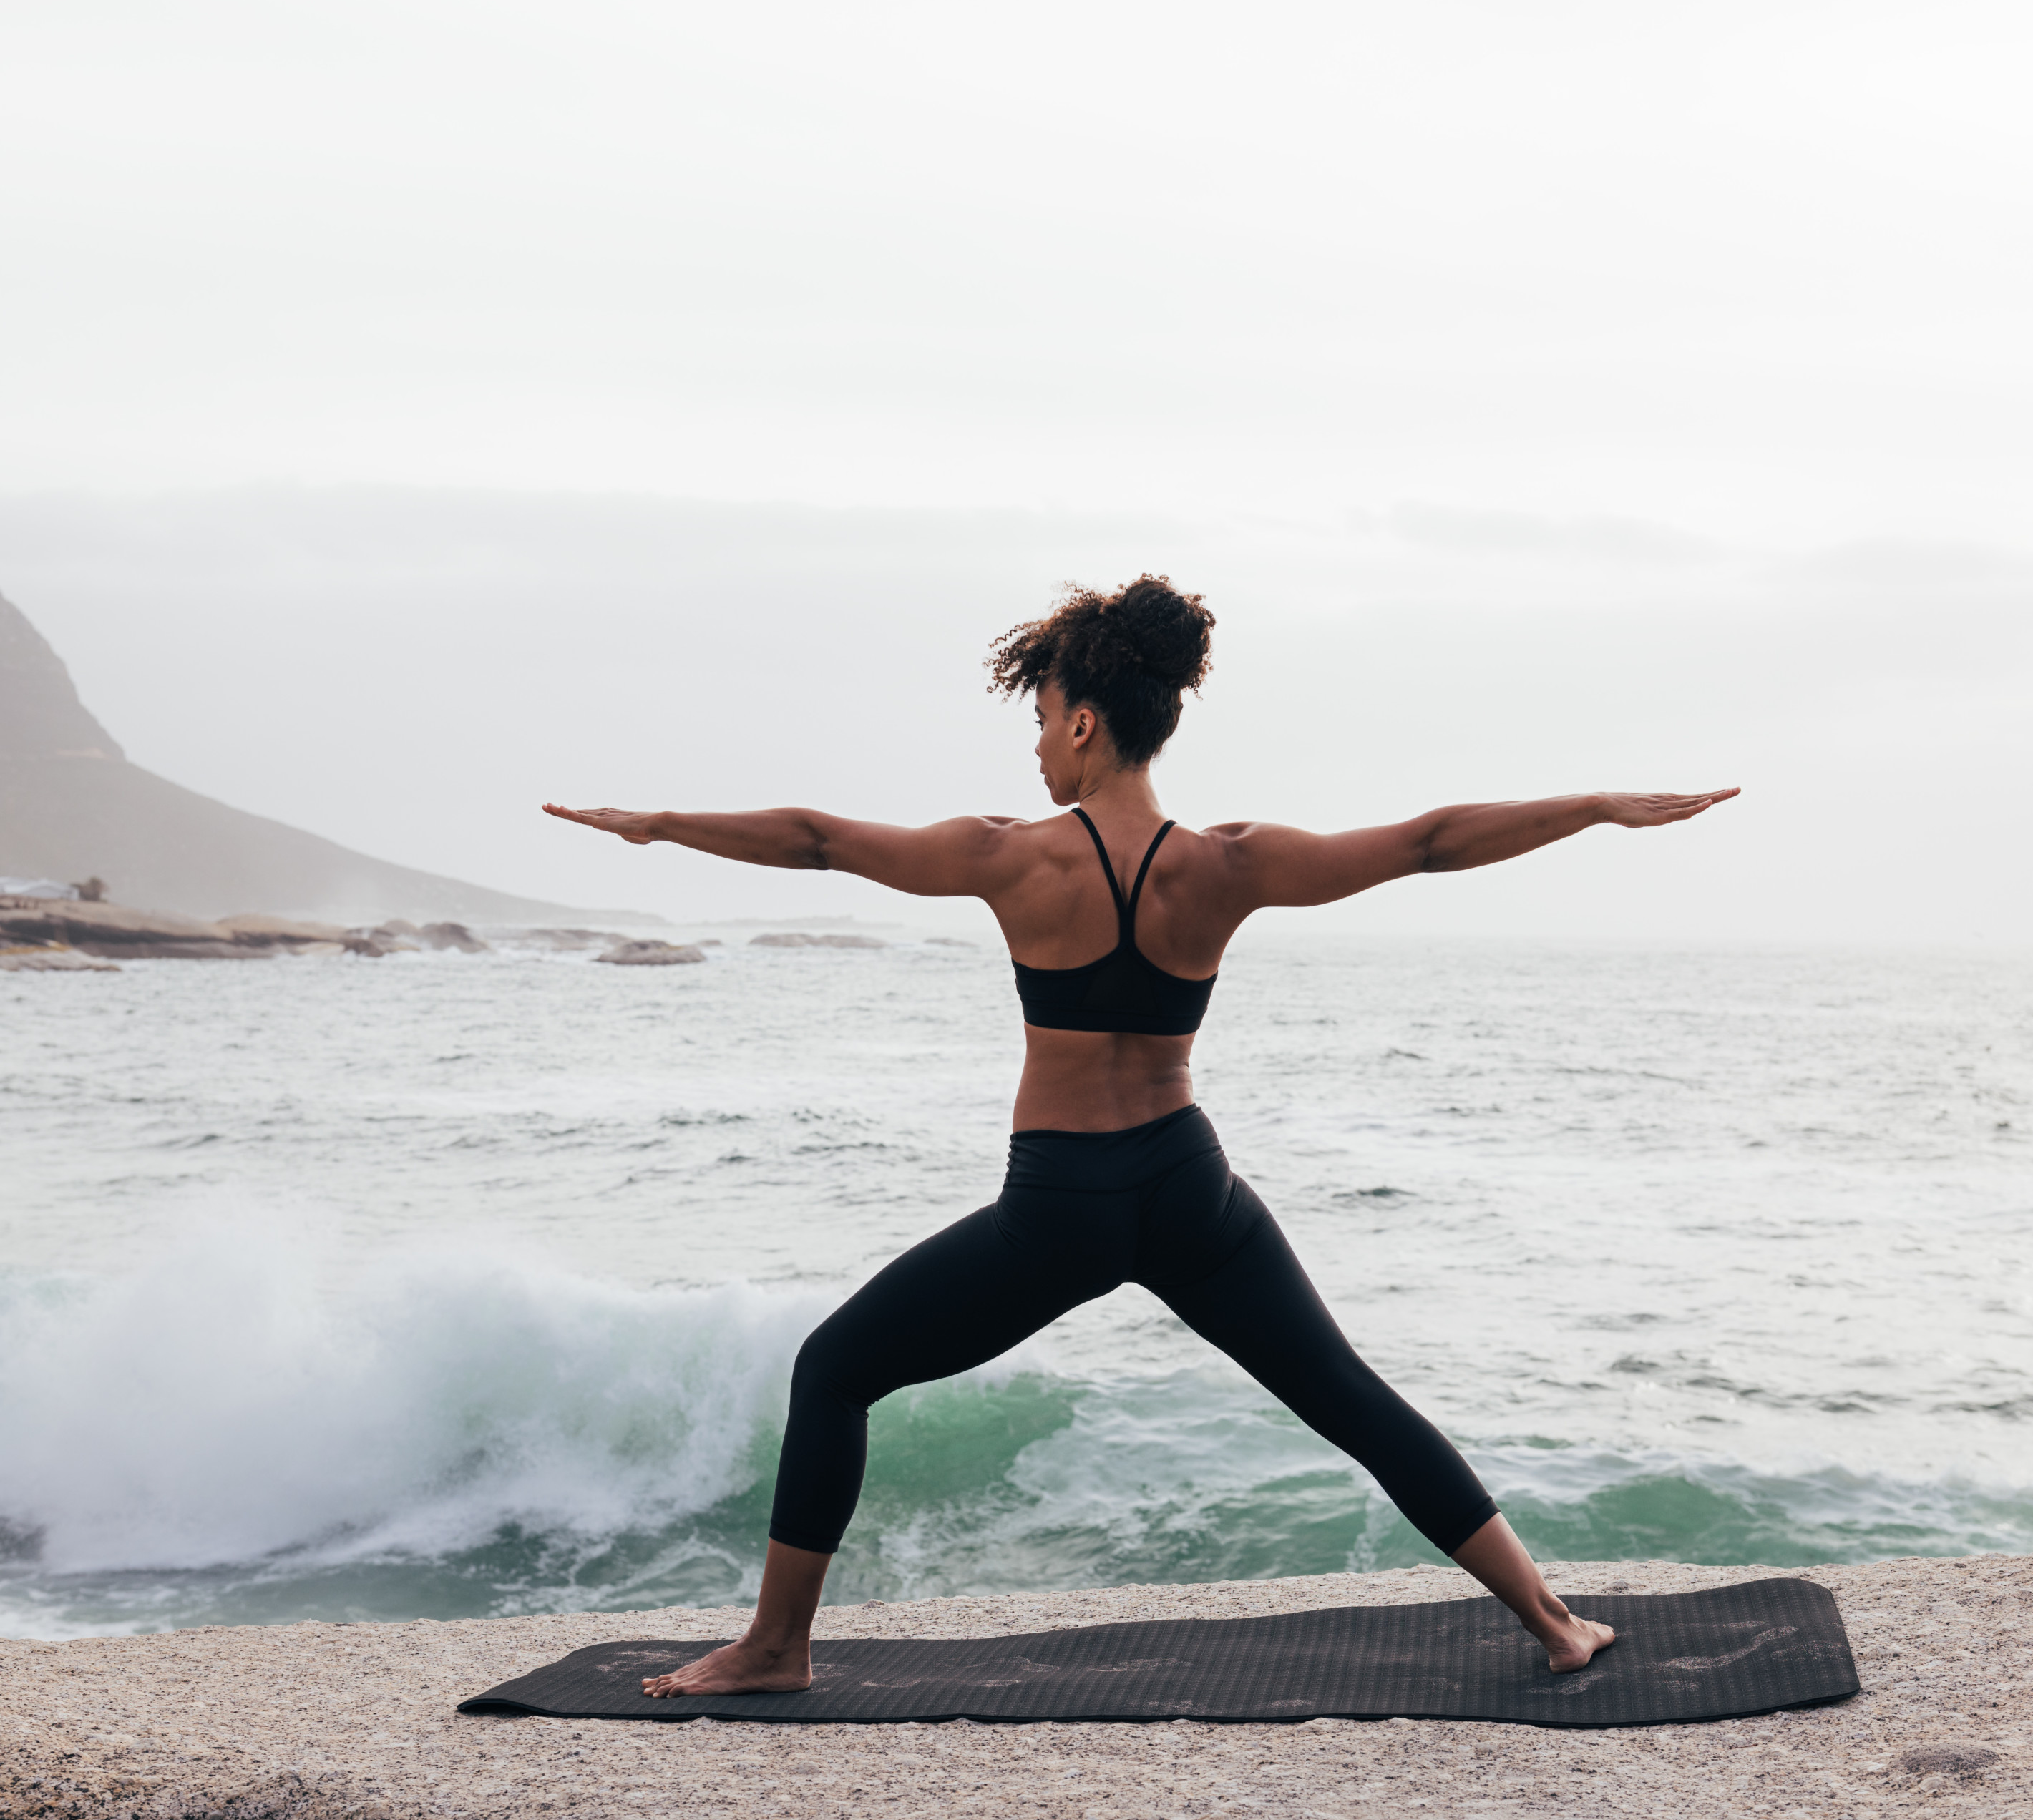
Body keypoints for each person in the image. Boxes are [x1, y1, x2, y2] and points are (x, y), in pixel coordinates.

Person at [543, 575, 1736, 1696]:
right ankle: (1552, 1620)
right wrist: (1590, 807)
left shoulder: (1006, 855)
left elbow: (813, 836)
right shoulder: (1230, 864)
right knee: (1346, 1394)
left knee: (834, 1371)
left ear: (1081, 726)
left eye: (1044, 713)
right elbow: (1427, 841)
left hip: (1058, 1205)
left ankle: (774, 1646)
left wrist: (656, 825)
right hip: (1186, 1186)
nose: (1034, 741)